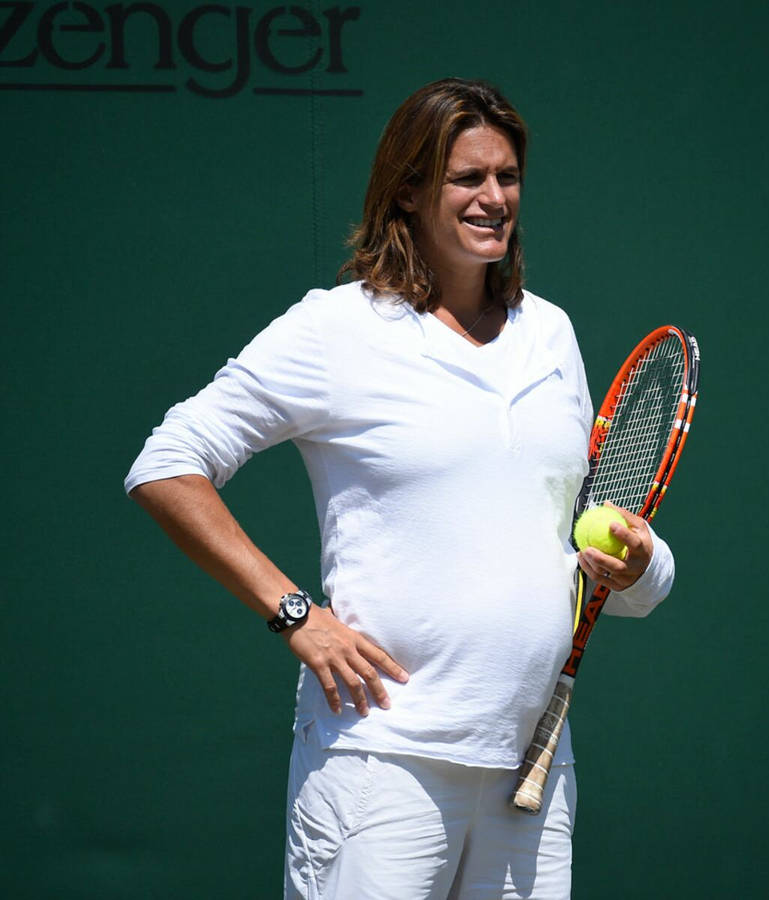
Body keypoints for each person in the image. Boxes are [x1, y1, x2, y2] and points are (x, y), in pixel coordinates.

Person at [125, 78, 674, 900]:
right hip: (381, 766)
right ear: (410, 191)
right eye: (467, 179)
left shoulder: (550, 333)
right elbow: (165, 465)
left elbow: (579, 532)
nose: (494, 198)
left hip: (531, 766)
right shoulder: (337, 328)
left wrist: (643, 568)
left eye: (508, 177)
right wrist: (294, 613)